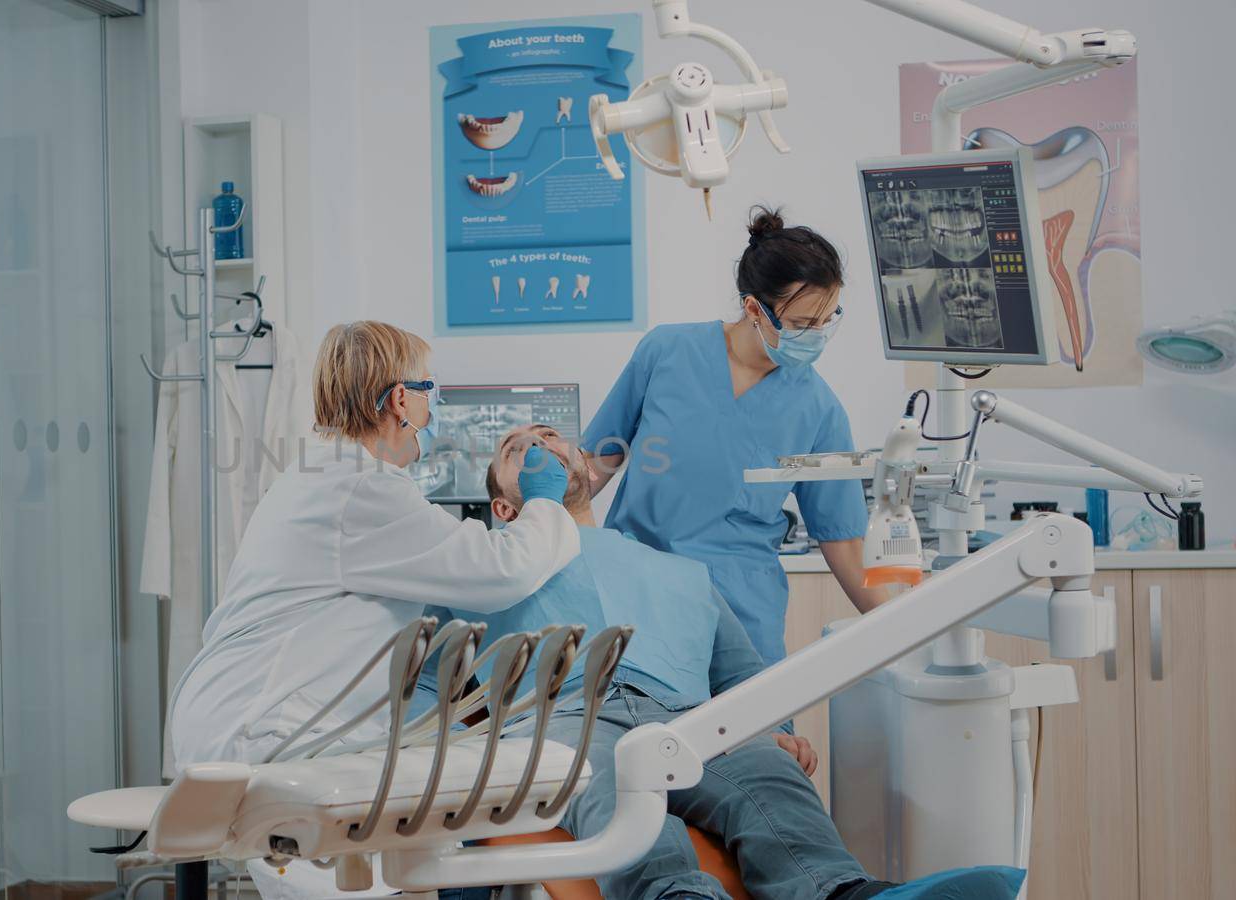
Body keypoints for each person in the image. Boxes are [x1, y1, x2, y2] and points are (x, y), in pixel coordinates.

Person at [429, 424, 1023, 900]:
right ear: (504, 509)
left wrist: (774, 731)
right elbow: (429, 674)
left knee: (770, 779)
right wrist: (477, 749)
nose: (539, 448)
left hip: (689, 718)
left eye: (551, 438)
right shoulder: (485, 566)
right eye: (517, 449)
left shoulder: (679, 572)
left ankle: (844, 892)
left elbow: (739, 672)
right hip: (567, 719)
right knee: (618, 797)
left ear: (586, 465)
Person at [166, 321, 581, 898]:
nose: (433, 411)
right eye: (429, 391)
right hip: (269, 733)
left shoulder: (323, 477)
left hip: (246, 717)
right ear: (399, 400)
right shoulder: (363, 489)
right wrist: (542, 501)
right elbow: (501, 569)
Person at [581, 207, 887, 664]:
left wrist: (901, 628)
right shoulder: (667, 351)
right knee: (639, 726)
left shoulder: (820, 410)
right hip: (641, 597)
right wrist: (533, 536)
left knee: (760, 734)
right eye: (804, 324)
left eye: (828, 320)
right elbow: (598, 462)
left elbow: (841, 539)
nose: (818, 336)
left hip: (744, 612)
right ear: (753, 308)